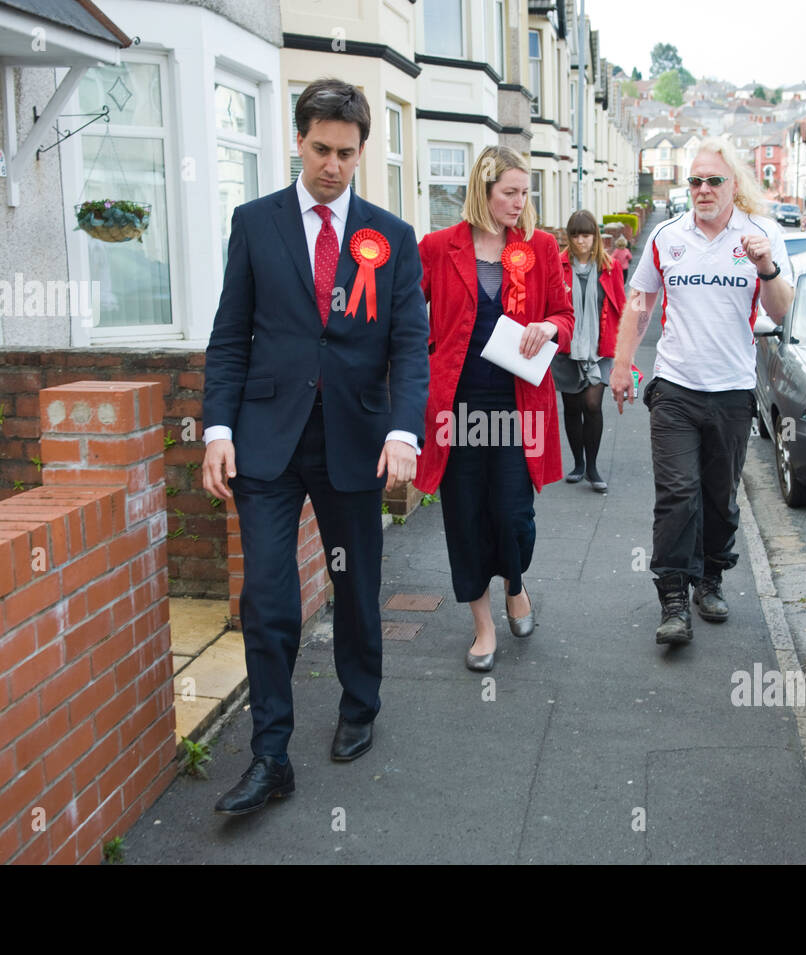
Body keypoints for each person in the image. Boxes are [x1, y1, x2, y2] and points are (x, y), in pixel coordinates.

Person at [201, 78, 429, 814]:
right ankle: (271, 755)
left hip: (356, 441)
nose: (333, 164)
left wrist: (402, 430)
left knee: (356, 585)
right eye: (321, 148)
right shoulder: (255, 223)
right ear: (298, 141)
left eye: (347, 152)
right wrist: (217, 429)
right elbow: (230, 335)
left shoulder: (390, 237)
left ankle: (359, 703)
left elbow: (409, 344)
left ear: (363, 152)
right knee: (268, 597)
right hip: (267, 441)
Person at [610, 138, 794, 646]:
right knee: (677, 496)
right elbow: (640, 303)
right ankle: (672, 597)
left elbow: (782, 312)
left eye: (714, 180)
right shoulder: (668, 237)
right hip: (675, 388)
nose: (704, 189)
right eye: (695, 181)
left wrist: (766, 267)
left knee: (718, 498)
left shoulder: (761, 236)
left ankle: (709, 579)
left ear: (735, 185)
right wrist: (622, 365)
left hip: (733, 391)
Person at [415, 145, 574, 672]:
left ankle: (516, 583)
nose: (519, 201)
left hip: (517, 406)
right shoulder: (438, 247)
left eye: (524, 192)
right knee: (465, 519)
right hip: (455, 411)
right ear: (483, 192)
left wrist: (550, 326)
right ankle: (483, 626)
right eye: (509, 192)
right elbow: (406, 319)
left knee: (513, 517)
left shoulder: (541, 247)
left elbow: (564, 315)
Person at [553, 210, 626, 493]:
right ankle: (578, 463)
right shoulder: (557, 266)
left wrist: (625, 354)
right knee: (571, 407)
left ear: (595, 236)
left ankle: (593, 466)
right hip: (566, 348)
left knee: (592, 405)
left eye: (586, 235)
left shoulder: (610, 267)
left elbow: (620, 307)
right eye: (575, 235)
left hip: (599, 348)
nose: (580, 241)